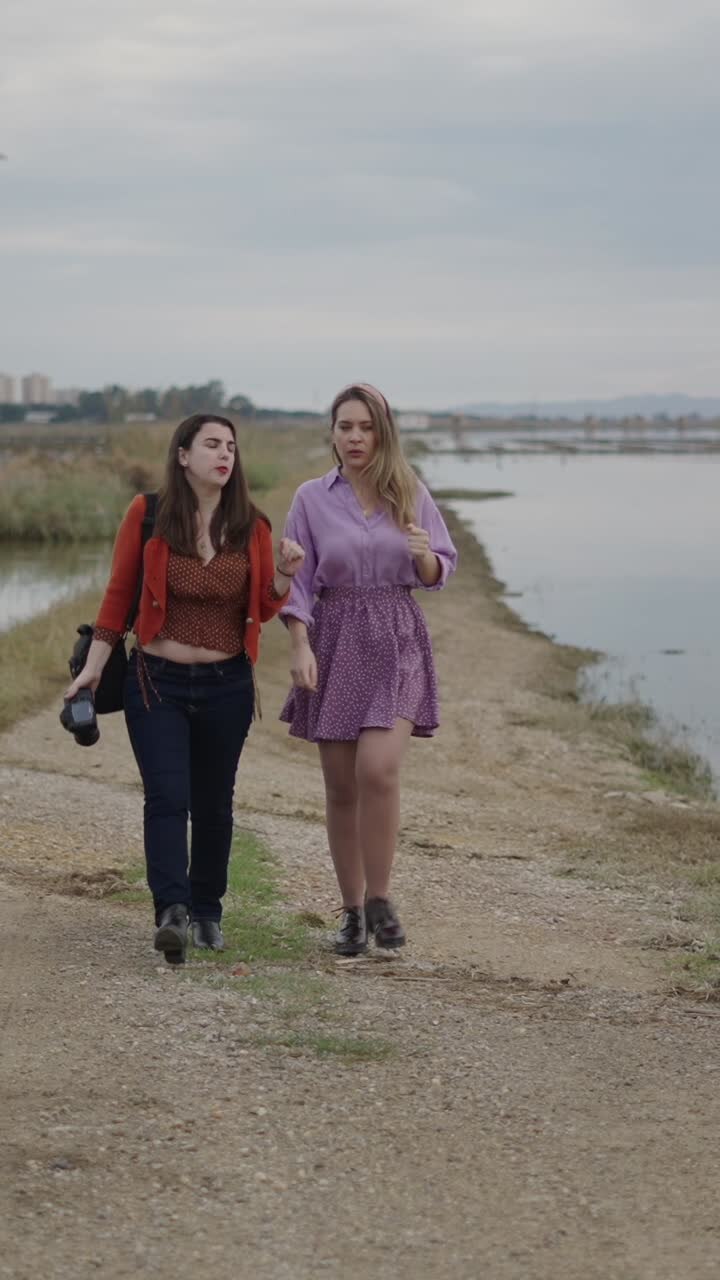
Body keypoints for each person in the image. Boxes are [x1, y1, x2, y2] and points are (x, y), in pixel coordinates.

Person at [64, 413, 304, 964]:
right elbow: (119, 595)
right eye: (212, 444)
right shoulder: (148, 514)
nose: (224, 455)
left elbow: (264, 606)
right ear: (183, 455)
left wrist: (286, 575)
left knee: (214, 805)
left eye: (231, 447)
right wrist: (93, 668)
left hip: (228, 684)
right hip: (156, 682)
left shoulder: (252, 526)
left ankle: (208, 912)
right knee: (167, 798)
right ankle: (171, 912)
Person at [278, 383, 457, 956]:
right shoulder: (310, 498)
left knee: (377, 769)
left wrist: (424, 556)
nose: (355, 437)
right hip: (334, 638)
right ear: (332, 433)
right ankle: (352, 913)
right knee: (341, 786)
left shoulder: (409, 490)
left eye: (366, 427)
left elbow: (440, 568)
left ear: (384, 433)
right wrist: (300, 646)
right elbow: (297, 584)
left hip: (396, 637)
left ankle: (380, 898)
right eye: (345, 427)